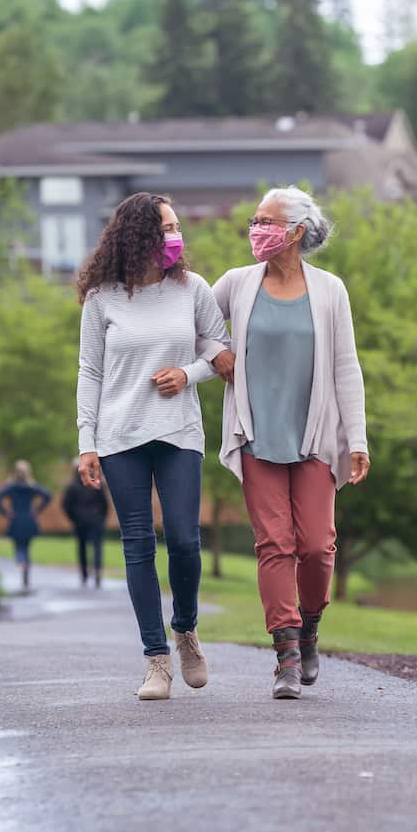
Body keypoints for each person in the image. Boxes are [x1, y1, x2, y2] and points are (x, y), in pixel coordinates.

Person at [208, 185, 369, 700]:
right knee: (274, 545)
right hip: (257, 435)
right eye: (255, 221)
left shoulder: (330, 290)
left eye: (268, 222)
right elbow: (195, 324)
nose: (257, 230)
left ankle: (311, 626)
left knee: (319, 547)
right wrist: (216, 353)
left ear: (297, 231)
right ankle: (286, 655)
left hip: (315, 436)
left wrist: (358, 438)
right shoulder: (236, 284)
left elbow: (347, 366)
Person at [75, 192, 232, 701]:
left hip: (178, 432)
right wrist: (86, 442)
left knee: (185, 539)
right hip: (119, 435)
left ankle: (185, 628)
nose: (175, 236)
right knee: (138, 546)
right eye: (166, 227)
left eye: (176, 227)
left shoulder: (192, 289)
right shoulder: (101, 298)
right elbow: (90, 372)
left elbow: (219, 352)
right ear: (138, 234)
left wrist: (187, 374)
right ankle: (156, 659)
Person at [0, 460, 51, 591]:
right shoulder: (32, 487)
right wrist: (37, 510)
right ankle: (26, 573)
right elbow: (47, 496)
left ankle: (21, 562)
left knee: (19, 548)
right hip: (29, 520)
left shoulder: (11, 487)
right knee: (27, 548)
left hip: (16, 520)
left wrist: (5, 512)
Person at [62, 457, 110, 588]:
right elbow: (104, 504)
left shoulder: (72, 486)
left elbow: (66, 505)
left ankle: (84, 574)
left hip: (80, 521)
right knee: (97, 547)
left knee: (82, 547)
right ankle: (98, 571)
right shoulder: (96, 484)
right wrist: (102, 518)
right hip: (96, 520)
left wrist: (74, 518)